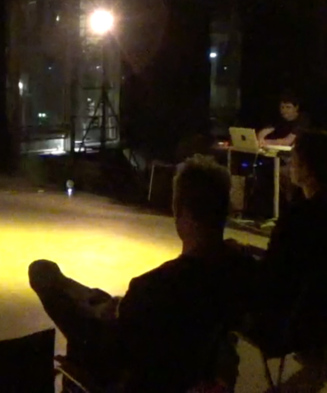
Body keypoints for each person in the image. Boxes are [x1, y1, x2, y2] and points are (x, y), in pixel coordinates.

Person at [29, 155, 257, 391]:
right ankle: (98, 302)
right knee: (89, 295)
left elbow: (116, 353)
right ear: (225, 211)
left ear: (179, 210)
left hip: (125, 363)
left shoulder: (154, 286)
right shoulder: (241, 270)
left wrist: (113, 316)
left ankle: (92, 303)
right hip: (184, 364)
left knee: (42, 273)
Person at [242, 130, 327, 355]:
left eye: (294, 159)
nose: (290, 165)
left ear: (307, 169)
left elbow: (272, 276)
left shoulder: (297, 218)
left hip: (294, 325)